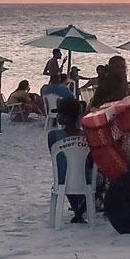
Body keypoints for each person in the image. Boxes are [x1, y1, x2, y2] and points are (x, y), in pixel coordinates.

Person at [47, 95, 89, 223]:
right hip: (85, 179)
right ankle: (80, 211)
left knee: (66, 169)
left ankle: (78, 212)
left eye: (59, 114)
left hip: (62, 179)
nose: (57, 117)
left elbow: (53, 154)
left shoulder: (53, 135)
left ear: (65, 117)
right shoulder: (87, 135)